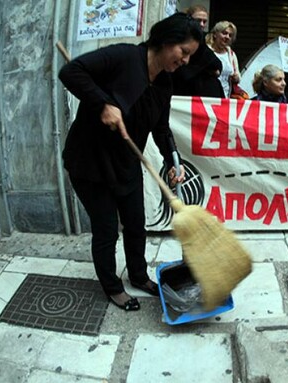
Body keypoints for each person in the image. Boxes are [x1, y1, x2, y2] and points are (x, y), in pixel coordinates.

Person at [58, 13, 202, 311]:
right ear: (166, 41)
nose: (185, 61)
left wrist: (173, 159)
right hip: (90, 161)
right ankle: (112, 287)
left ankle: (138, 275)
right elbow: (71, 72)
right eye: (184, 52)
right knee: (107, 228)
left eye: (189, 55)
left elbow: (161, 128)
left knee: (136, 223)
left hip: (125, 161)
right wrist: (103, 103)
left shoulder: (164, 83)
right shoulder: (125, 57)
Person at [171, 5, 224, 98]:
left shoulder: (202, 40)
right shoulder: (177, 37)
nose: (202, 24)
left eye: (204, 21)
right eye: (198, 20)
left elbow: (216, 64)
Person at [206, 21, 240, 98]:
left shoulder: (231, 54)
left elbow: (237, 75)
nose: (227, 37)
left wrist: (236, 78)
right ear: (215, 34)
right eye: (224, 33)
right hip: (208, 97)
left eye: (230, 35)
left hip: (226, 98)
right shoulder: (206, 51)